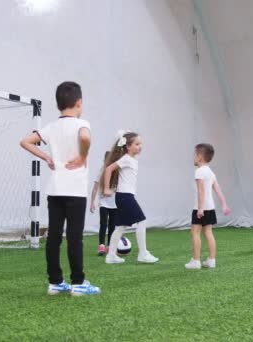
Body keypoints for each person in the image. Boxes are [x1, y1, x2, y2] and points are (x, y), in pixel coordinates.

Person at [20, 81, 100, 296]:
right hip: (75, 191)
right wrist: (83, 156)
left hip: (54, 190)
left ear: (58, 104)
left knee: (54, 237)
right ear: (79, 102)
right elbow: (84, 137)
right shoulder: (82, 123)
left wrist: (46, 156)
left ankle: (55, 282)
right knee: (75, 237)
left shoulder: (51, 126)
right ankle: (78, 284)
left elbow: (25, 141)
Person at [102, 131, 159, 264]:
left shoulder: (132, 159)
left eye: (141, 144)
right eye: (137, 144)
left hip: (124, 196)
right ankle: (143, 253)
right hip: (125, 196)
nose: (140, 146)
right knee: (142, 220)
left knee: (120, 227)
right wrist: (106, 188)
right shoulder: (126, 158)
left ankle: (111, 256)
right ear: (128, 146)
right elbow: (108, 169)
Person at [185, 143, 231, 270]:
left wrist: (200, 208)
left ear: (199, 156)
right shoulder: (210, 172)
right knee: (208, 233)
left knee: (195, 232)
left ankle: (196, 261)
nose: (193, 157)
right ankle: (211, 260)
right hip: (210, 208)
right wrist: (224, 204)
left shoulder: (199, 172)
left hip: (200, 208)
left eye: (195, 154)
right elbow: (218, 190)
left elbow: (201, 191)